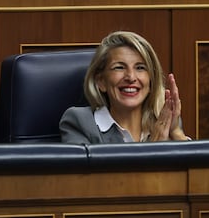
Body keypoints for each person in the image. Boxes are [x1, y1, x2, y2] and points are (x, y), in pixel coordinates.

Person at [59, 30, 190, 144]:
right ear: (101, 81)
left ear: (151, 81)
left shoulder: (164, 122)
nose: (131, 77)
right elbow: (83, 173)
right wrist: (154, 149)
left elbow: (193, 171)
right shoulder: (80, 123)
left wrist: (176, 132)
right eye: (119, 67)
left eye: (140, 68)